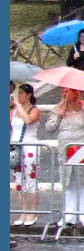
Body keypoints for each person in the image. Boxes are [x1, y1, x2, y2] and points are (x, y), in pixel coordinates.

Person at [45, 86, 84, 233]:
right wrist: (59, 113)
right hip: (66, 152)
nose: (64, 93)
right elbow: (49, 128)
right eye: (62, 91)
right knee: (69, 184)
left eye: (67, 91)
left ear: (75, 92)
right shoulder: (57, 108)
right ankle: (69, 216)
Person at [10, 83, 41, 227]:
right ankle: (23, 211)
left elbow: (28, 120)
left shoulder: (34, 110)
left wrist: (18, 106)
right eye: (18, 93)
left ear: (29, 95)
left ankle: (32, 213)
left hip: (29, 147)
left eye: (21, 93)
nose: (19, 95)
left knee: (31, 180)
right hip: (15, 147)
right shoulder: (14, 110)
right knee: (19, 182)